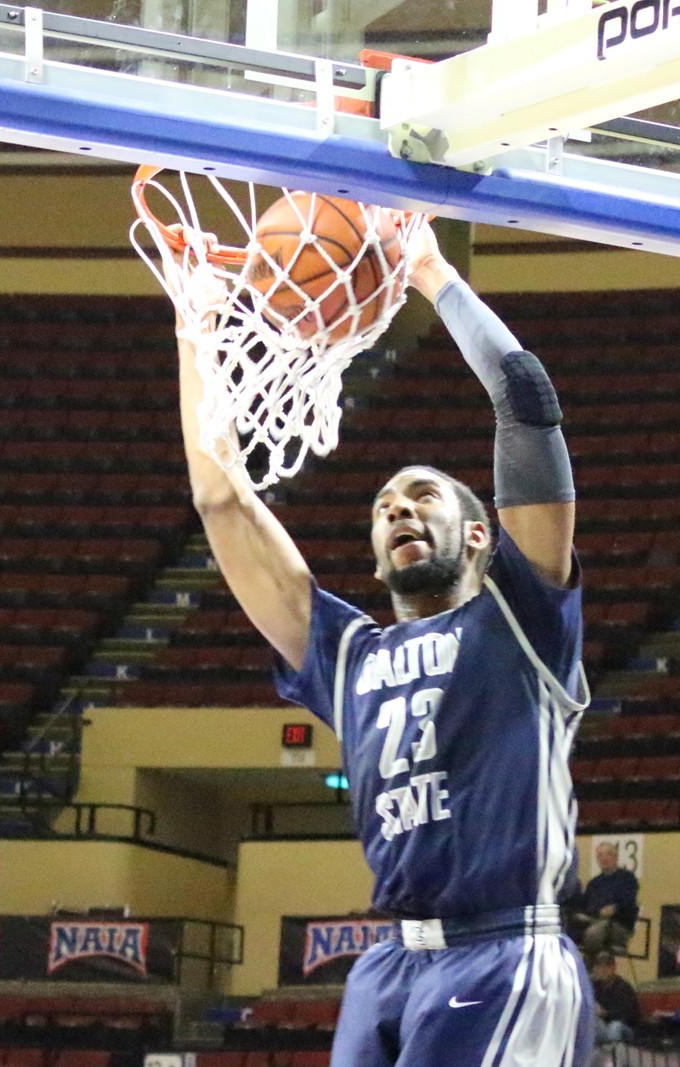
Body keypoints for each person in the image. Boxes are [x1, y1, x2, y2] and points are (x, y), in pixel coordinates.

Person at [169, 220, 595, 1067]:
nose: (399, 507)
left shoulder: (522, 618)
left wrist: (432, 273)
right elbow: (222, 499)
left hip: (506, 947)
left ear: (479, 536)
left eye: (424, 495)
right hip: (392, 959)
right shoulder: (347, 654)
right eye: (383, 504)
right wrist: (199, 324)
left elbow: (527, 401)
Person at [573, 842, 640, 954]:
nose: (604, 858)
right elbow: (583, 906)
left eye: (608, 854)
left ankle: (588, 969)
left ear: (616, 857)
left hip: (618, 925)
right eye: (600, 856)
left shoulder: (627, 879)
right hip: (592, 921)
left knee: (594, 932)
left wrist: (615, 909)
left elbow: (629, 904)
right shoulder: (593, 883)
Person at [588, 951, 641, 1046]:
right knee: (592, 1024)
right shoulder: (595, 986)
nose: (603, 970)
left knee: (615, 1027)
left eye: (607, 966)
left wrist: (605, 1013)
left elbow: (628, 1016)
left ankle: (614, 1058)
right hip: (604, 1027)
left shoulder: (623, 987)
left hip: (626, 1028)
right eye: (600, 966)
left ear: (614, 968)